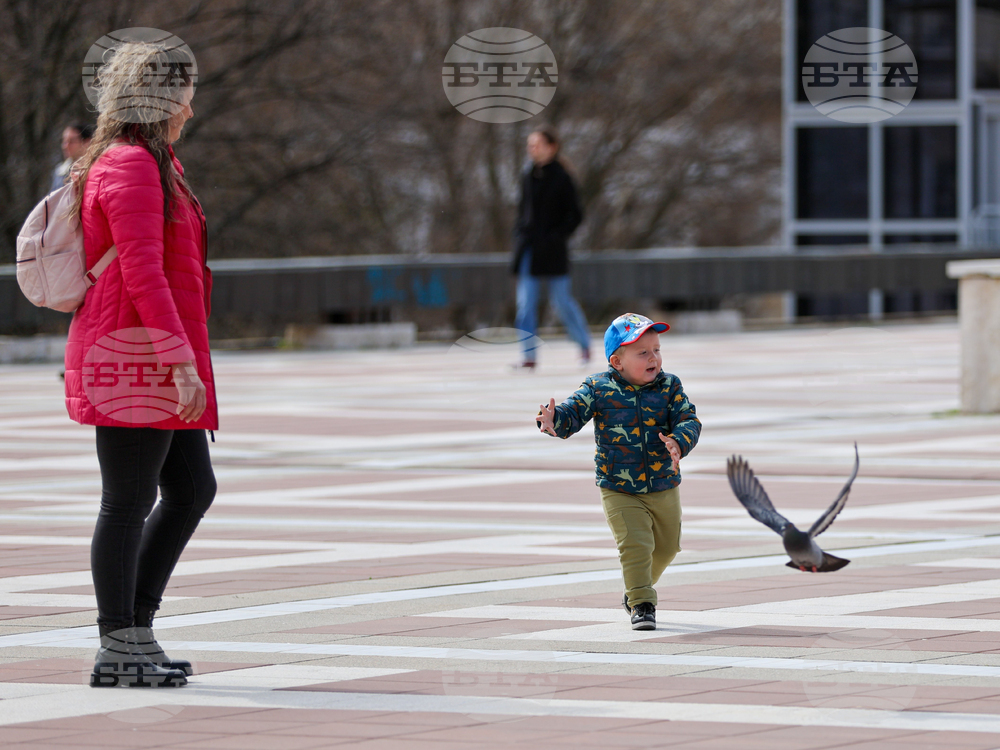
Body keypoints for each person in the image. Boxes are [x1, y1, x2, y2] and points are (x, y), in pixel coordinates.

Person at [64, 41, 216, 687]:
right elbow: (142, 270)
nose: (190, 104)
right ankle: (115, 647)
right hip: (132, 355)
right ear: (156, 96)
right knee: (128, 499)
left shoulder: (156, 161)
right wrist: (179, 362)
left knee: (190, 489)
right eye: (184, 90)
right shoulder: (129, 164)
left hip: (153, 350)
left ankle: (138, 632)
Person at [535, 313, 701, 630]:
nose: (654, 358)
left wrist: (679, 442)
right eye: (643, 352)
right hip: (618, 485)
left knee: (667, 547)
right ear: (617, 361)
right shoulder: (598, 388)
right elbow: (572, 412)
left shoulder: (669, 386)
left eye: (656, 349)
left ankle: (634, 586)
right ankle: (642, 602)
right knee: (636, 544)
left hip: (663, 481)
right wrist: (553, 419)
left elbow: (688, 420)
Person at [512, 127, 590, 369]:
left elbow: (576, 215)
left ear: (551, 147)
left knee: (562, 302)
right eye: (530, 145)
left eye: (537, 144)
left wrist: (557, 236)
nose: (532, 149)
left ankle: (584, 345)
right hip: (529, 250)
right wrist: (520, 236)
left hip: (554, 251)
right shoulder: (527, 174)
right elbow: (522, 212)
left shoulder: (563, 177)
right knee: (525, 306)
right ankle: (529, 356)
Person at [50, 123, 94, 192]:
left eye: (71, 141)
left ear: (87, 143)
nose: (65, 146)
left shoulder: (96, 170)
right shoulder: (60, 172)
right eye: (64, 141)